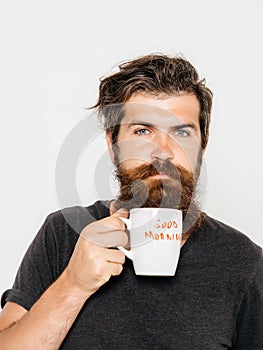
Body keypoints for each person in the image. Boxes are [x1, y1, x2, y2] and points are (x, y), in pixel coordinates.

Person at [0, 54, 262, 349]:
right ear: (113, 146)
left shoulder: (245, 263)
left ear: (202, 146)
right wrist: (74, 284)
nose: (162, 152)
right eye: (142, 131)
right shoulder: (61, 234)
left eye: (181, 132)